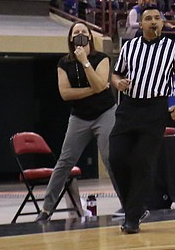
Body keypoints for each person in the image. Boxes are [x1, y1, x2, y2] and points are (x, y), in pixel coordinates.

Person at [109, 6, 175, 234]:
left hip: (155, 108)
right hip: (128, 108)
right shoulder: (129, 47)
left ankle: (132, 218)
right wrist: (117, 83)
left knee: (142, 162)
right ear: (141, 24)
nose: (153, 21)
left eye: (157, 18)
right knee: (116, 157)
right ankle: (134, 208)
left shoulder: (173, 48)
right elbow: (116, 74)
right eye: (148, 18)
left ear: (162, 24)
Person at [37, 23, 120, 223]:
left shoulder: (101, 58)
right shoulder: (63, 63)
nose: (80, 34)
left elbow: (102, 84)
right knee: (64, 162)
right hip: (80, 117)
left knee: (110, 158)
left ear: (90, 37)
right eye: (76, 32)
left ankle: (129, 204)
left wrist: (85, 62)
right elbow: (66, 93)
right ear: (71, 39)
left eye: (84, 32)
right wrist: (95, 88)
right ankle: (46, 209)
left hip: (105, 112)